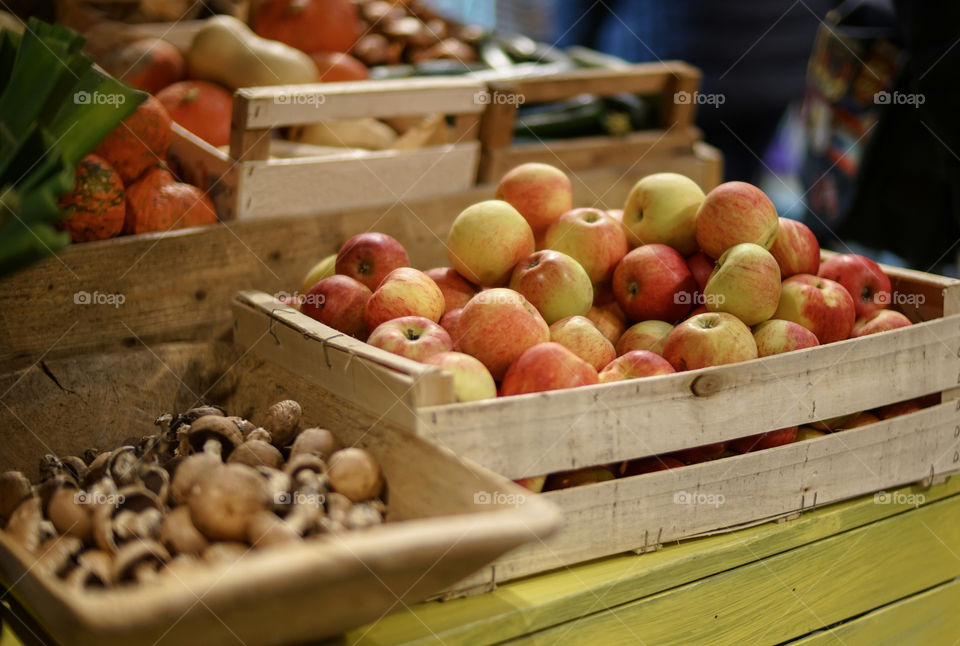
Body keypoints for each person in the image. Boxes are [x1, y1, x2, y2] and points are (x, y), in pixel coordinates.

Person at [550, 0, 834, 183]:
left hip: (672, 70)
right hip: (780, 63)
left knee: (663, 200)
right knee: (735, 197)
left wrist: (568, 65)